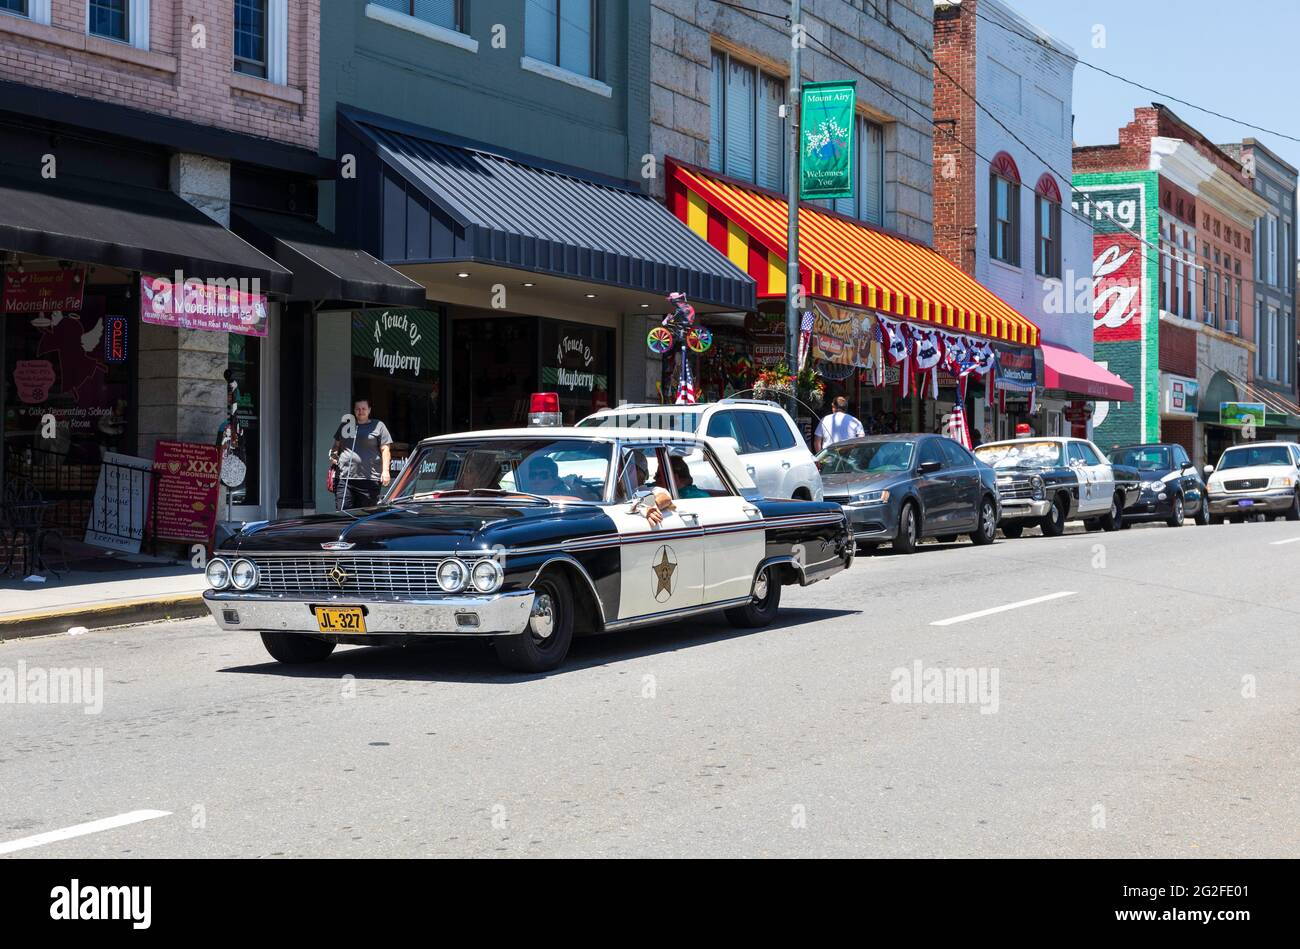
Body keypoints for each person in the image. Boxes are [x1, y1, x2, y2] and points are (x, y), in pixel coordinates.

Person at [330, 399, 393, 510]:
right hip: (345, 478)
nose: (361, 411)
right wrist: (333, 455)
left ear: (369, 410)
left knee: (365, 515)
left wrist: (385, 471)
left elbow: (385, 450)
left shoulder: (378, 426)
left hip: (369, 479)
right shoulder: (346, 425)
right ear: (354, 410)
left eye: (363, 408)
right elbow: (336, 445)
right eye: (358, 409)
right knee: (342, 513)